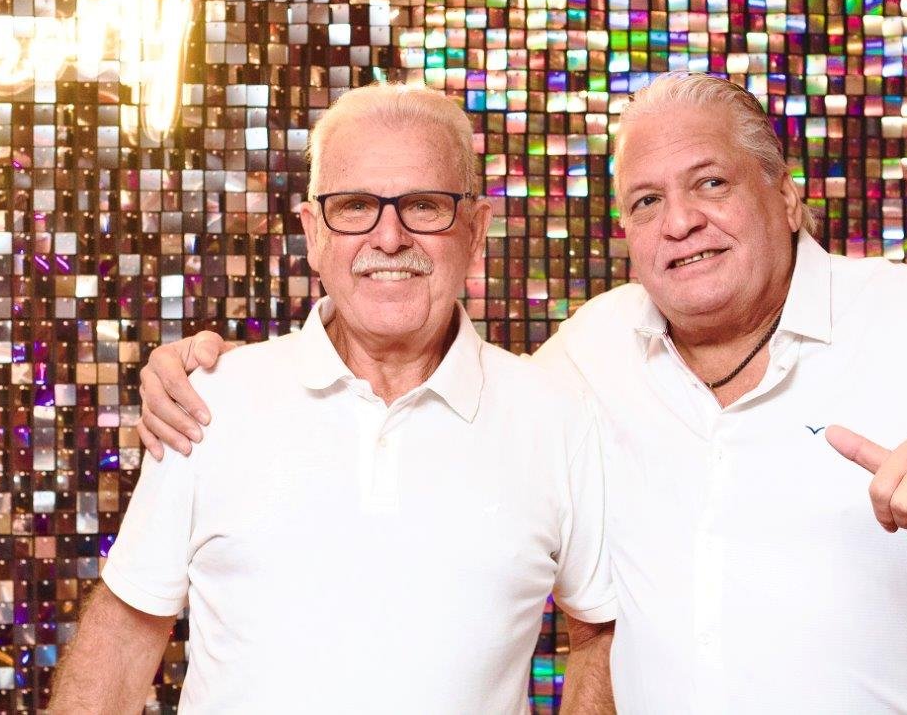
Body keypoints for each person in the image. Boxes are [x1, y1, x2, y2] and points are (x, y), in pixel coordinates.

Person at [136, 73, 907, 713]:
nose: (680, 222)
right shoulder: (590, 352)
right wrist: (195, 367)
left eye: (709, 183)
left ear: (786, 194)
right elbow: (420, 373)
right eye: (644, 200)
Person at [50, 84, 616, 713]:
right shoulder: (208, 401)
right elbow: (125, 633)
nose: (389, 237)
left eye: (424, 206)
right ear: (314, 233)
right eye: (355, 207)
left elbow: (598, 632)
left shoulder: (557, 415)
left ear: (476, 230)